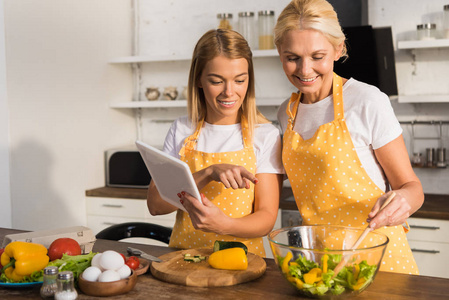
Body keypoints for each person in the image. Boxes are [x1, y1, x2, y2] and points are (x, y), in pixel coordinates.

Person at [275, 0, 424, 274]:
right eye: (292, 57)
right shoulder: (287, 112)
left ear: (338, 49)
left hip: (379, 262)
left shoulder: (367, 101)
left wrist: (402, 199)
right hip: (321, 262)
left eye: (317, 56)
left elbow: (412, 187)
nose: (305, 70)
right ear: (280, 54)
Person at [147, 29, 284, 257]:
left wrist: (223, 225)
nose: (229, 92)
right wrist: (207, 173)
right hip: (183, 260)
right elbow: (156, 206)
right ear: (199, 80)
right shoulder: (182, 130)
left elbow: (266, 218)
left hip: (242, 263)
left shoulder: (265, 135)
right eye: (216, 81)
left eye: (240, 80)